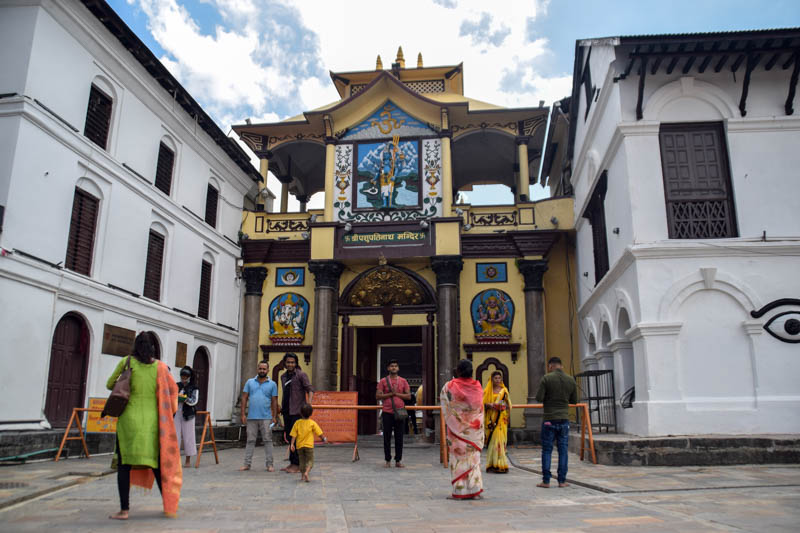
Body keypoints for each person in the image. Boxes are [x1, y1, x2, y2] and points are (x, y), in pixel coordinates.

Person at [106, 332, 182, 520]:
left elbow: (110, 385)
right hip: (153, 422)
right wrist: (169, 410)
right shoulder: (161, 368)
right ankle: (168, 504)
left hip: (128, 421)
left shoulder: (126, 362)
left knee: (124, 465)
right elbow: (174, 391)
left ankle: (124, 510)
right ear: (152, 348)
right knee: (157, 463)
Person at [440, 359, 484, 499]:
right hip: (474, 431)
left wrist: (456, 419)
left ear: (457, 371)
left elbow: (445, 405)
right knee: (473, 460)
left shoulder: (449, 386)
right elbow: (479, 409)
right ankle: (475, 490)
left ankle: (459, 490)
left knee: (458, 459)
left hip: (456, 430)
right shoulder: (478, 387)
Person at [535, 356, 578, 488]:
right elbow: (574, 401)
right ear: (561, 366)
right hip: (564, 418)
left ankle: (546, 481)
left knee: (547, 450)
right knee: (563, 450)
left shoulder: (546, 378)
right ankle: (562, 481)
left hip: (549, 419)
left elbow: (538, 398)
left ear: (550, 366)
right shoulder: (571, 380)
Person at [240, 360, 279, 472]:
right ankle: (247, 464)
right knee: (250, 440)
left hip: (266, 417)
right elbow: (244, 398)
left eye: (264, 369)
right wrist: (243, 414)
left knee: (267, 440)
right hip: (251, 417)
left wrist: (274, 416)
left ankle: (269, 465)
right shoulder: (250, 382)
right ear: (257, 369)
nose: (262, 370)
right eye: (260, 368)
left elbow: (274, 401)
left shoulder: (272, 384)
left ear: (268, 370)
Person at [280, 353, 313, 473]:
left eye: (292, 362)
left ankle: (298, 465)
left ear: (296, 363)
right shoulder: (283, 377)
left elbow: (310, 389)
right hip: (286, 411)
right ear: (285, 363)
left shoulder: (301, 375)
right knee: (289, 437)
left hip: (297, 412)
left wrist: (308, 405)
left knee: (297, 439)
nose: (290, 364)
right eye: (288, 362)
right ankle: (292, 462)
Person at [375, 359, 411, 468]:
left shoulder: (403, 381)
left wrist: (397, 394)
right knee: (387, 437)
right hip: (387, 412)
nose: (393, 368)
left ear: (398, 368)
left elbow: (408, 396)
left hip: (400, 411)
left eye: (395, 366)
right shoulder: (383, 381)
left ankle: (398, 460)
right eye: (391, 366)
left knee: (399, 437)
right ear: (388, 368)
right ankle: (387, 460)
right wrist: (391, 394)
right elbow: (378, 396)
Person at [289, 403, 328, 482]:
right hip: (309, 446)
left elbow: (293, 435)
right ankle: (307, 472)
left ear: (300, 413)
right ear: (311, 413)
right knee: (310, 460)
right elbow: (319, 433)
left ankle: (302, 476)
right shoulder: (312, 423)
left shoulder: (297, 423)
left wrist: (292, 444)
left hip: (299, 446)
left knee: (302, 461)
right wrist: (324, 439)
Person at [484, 371, 512, 473]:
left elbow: (508, 405)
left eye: (499, 378)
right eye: (495, 378)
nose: (498, 380)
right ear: (492, 379)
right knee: (493, 442)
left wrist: (503, 407)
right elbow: (482, 404)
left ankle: (501, 464)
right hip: (491, 420)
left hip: (501, 419)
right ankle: (492, 464)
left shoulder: (504, 391)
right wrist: (489, 405)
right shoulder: (488, 391)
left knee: (500, 441)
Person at [175, 366, 199, 468]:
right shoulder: (176, 385)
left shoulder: (194, 388)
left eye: (186, 377)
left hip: (188, 414)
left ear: (189, 377)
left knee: (188, 437)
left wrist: (185, 399)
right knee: (175, 437)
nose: (184, 379)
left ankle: (188, 460)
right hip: (176, 413)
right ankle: (175, 460)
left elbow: (194, 401)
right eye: (182, 377)